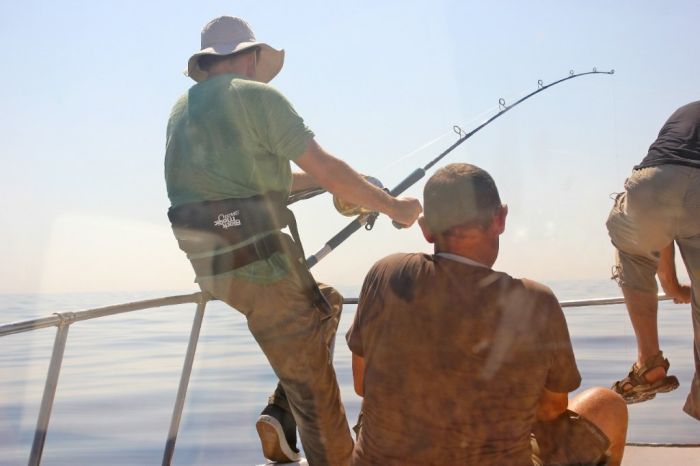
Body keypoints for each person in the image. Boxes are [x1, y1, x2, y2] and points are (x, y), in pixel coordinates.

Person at [164, 16, 422, 465]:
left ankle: (280, 414)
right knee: (326, 420)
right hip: (261, 270)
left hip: (215, 270)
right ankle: (308, 424)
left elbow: (268, 181)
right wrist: (393, 206)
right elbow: (325, 167)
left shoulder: (183, 109)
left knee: (326, 301)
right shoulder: (257, 97)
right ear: (251, 55)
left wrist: (342, 184)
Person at [346, 163, 628, 466]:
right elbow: (551, 412)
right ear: (501, 218)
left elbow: (363, 385)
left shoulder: (386, 273)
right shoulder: (536, 303)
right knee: (607, 406)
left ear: (426, 230)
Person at [606, 100, 700, 416]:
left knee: (633, 237)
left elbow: (665, 211)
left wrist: (670, 285)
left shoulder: (688, 112)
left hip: (656, 182)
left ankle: (649, 362)